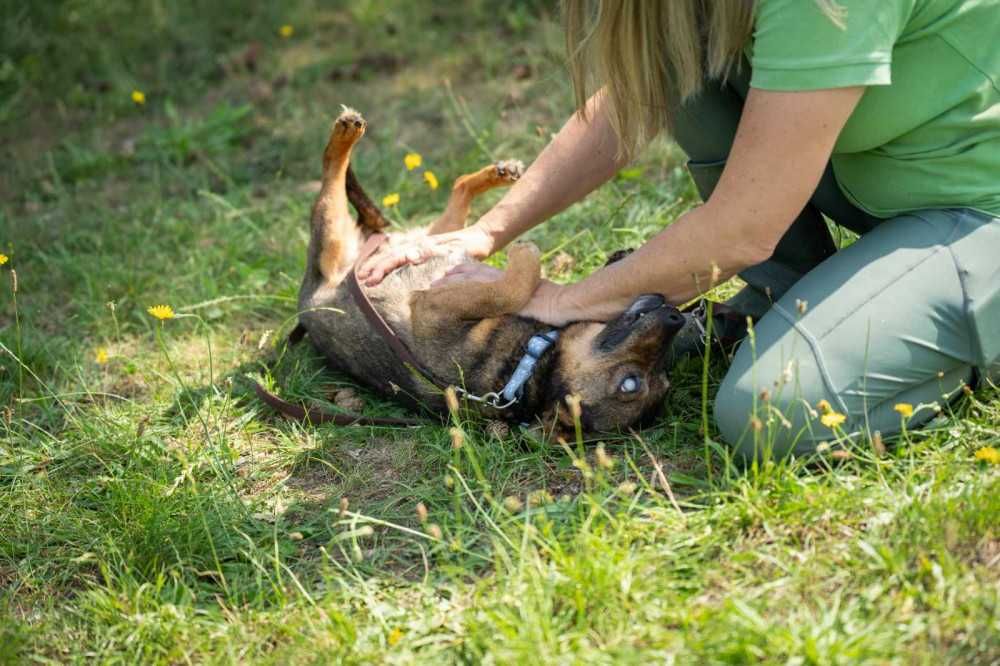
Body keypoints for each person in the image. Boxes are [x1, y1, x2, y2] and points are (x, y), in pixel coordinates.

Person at [357, 0, 1000, 461]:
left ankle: (953, 346)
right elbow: (634, 96)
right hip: (879, 178)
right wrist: (489, 231)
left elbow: (742, 225)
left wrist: (563, 300)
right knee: (687, 54)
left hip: (978, 213)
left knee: (766, 409)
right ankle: (795, 296)